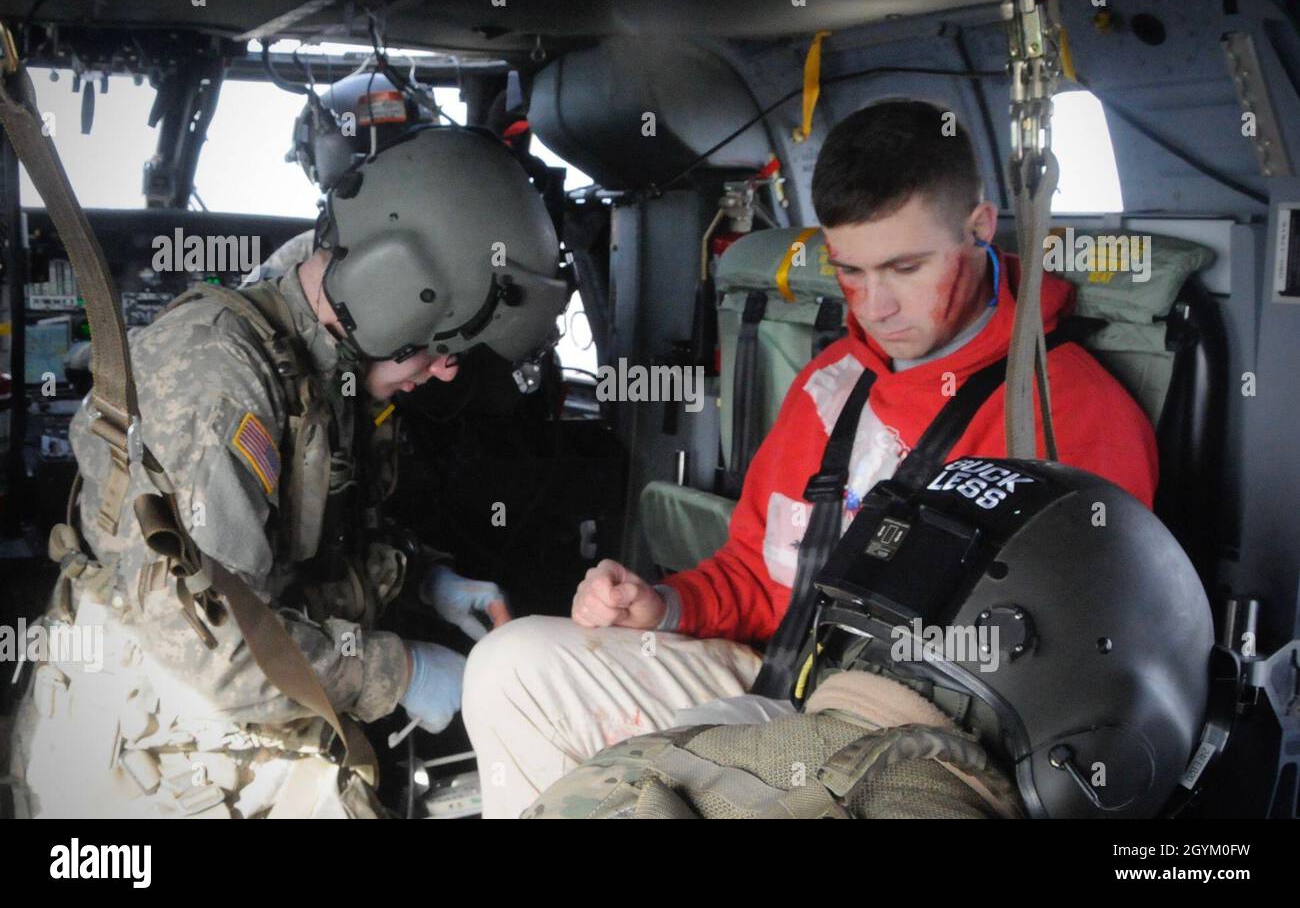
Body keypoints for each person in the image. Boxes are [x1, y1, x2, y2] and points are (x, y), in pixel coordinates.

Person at [462, 99, 1159, 818]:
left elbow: (1082, 676)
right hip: (776, 676)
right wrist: (665, 604)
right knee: (509, 665)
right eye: (851, 271)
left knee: (652, 784)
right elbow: (758, 576)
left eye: (906, 267)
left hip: (912, 739)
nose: (876, 304)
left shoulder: (1070, 413)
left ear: (979, 230)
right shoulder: (831, 384)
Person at [8, 124, 567, 818]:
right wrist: (403, 671)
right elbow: (214, 649)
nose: (448, 368)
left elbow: (329, 537)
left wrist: (429, 579)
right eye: (443, 346)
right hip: (154, 745)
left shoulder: (328, 368)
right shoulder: (220, 379)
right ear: (395, 289)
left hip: (239, 710)